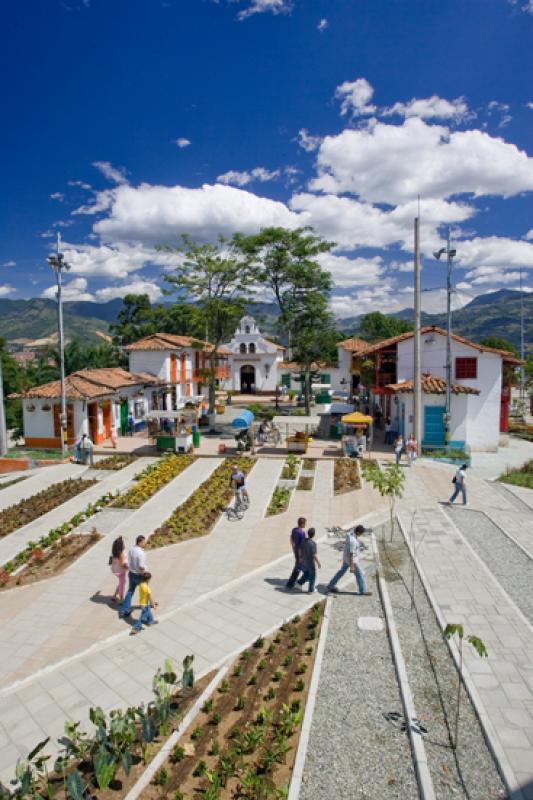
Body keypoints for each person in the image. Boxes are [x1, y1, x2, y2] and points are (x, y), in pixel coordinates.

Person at [327, 525, 372, 596]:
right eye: (361, 533)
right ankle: (363, 590)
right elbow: (351, 555)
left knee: (341, 572)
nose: (361, 535)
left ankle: (331, 585)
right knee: (359, 574)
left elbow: (353, 528)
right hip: (353, 561)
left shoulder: (350, 534)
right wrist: (352, 567)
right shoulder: (353, 542)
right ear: (357, 532)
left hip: (345, 558)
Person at [120, 535, 148, 618]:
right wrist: (145, 575)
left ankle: (125, 609)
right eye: (144, 542)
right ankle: (146, 612)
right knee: (144, 592)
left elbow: (128, 561)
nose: (145, 543)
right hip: (139, 575)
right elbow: (141, 566)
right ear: (140, 542)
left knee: (130, 591)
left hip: (131, 573)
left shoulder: (131, 549)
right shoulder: (141, 553)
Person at [286, 517, 307, 589]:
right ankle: (290, 583)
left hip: (296, 551)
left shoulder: (294, 530)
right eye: (305, 523)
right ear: (302, 524)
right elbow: (302, 545)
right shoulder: (302, 533)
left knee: (298, 567)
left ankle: (292, 582)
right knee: (297, 568)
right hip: (300, 553)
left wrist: (293, 547)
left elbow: (291, 538)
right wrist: (301, 556)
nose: (305, 525)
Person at [297, 528, 321, 593]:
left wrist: (300, 558)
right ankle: (311, 589)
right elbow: (314, 555)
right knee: (312, 576)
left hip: (304, 561)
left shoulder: (303, 541)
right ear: (313, 535)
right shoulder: (313, 544)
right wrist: (318, 563)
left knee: (306, 573)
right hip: (310, 562)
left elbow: (299, 550)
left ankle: (299, 583)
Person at [110, 536, 128, 603]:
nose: (124, 544)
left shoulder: (115, 552)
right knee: (122, 584)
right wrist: (128, 567)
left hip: (115, 570)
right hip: (121, 571)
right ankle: (121, 599)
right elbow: (122, 564)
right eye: (123, 543)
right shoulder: (121, 554)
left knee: (121, 582)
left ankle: (114, 596)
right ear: (121, 545)